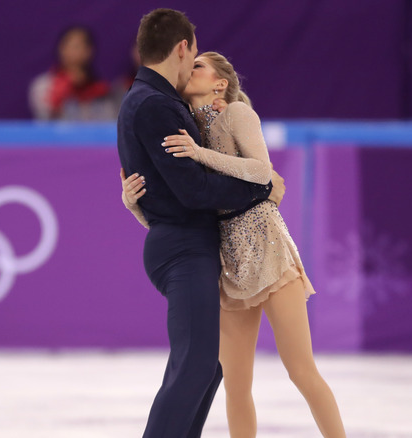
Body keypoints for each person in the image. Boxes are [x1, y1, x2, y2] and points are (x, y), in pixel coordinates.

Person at [122, 52, 347, 437]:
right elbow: (184, 205)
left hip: (268, 249)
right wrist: (133, 203)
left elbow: (262, 172)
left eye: (198, 66)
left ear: (220, 83)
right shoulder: (185, 127)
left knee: (300, 369)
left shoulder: (237, 114)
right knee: (236, 383)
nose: (188, 69)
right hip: (227, 260)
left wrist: (199, 153)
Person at [116, 9, 285, 438]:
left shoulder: (151, 98)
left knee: (207, 367)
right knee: (195, 365)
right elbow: (192, 191)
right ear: (181, 48)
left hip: (186, 244)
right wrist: (259, 191)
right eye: (193, 56)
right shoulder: (155, 104)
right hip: (183, 247)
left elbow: (159, 185)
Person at [29, 25, 114, 120]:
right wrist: (65, 88)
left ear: (90, 51)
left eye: (81, 46)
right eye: (71, 46)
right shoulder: (44, 85)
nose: (75, 52)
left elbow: (108, 121)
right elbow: (44, 117)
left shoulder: (101, 89)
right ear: (61, 49)